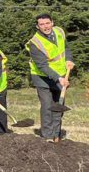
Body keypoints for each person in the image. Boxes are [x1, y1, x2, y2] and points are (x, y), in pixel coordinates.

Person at [26, 14, 74, 143]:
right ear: (37, 26)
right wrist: (58, 78)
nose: (45, 26)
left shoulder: (59, 32)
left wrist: (69, 59)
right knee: (47, 106)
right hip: (42, 77)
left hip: (61, 74)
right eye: (42, 24)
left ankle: (56, 134)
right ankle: (47, 136)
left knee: (59, 105)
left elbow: (66, 49)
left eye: (47, 23)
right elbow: (42, 65)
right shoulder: (35, 43)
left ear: (52, 22)